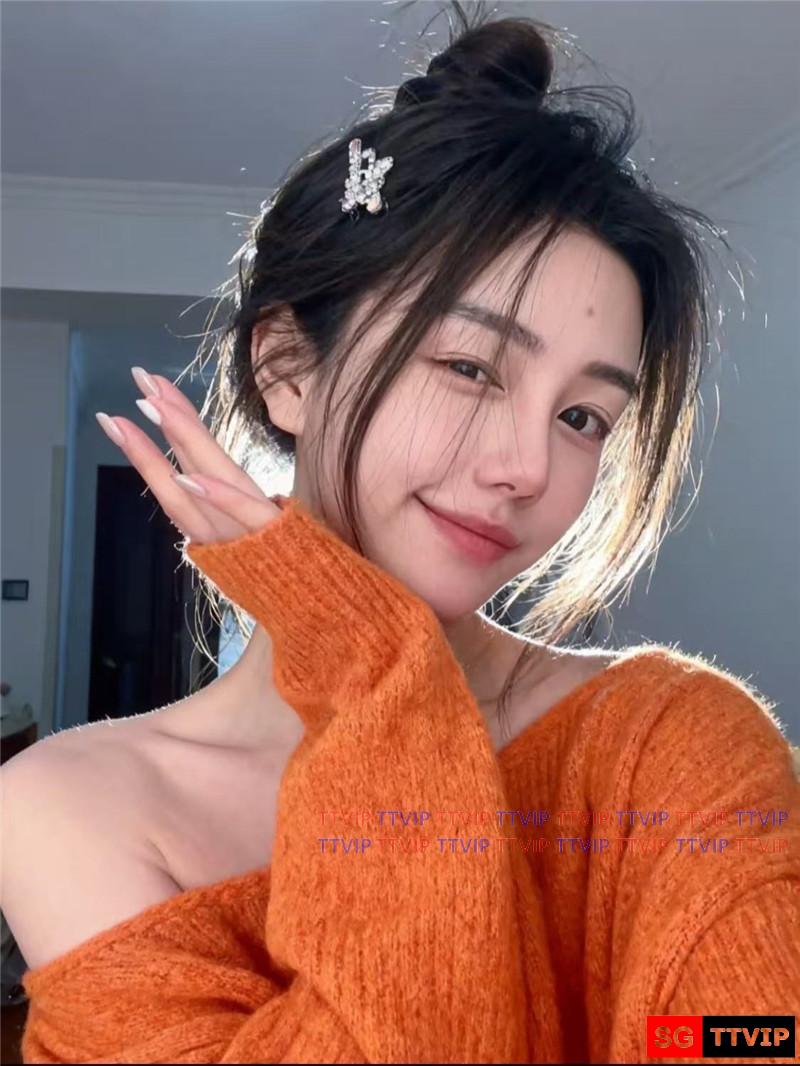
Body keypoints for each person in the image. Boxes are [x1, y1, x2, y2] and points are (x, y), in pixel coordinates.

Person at [3, 5, 799, 1063]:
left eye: (582, 417)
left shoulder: (672, 743)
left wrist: (368, 660)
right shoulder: (72, 806)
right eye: (469, 367)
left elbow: (744, 1041)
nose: (528, 466)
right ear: (288, 368)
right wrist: (375, 674)